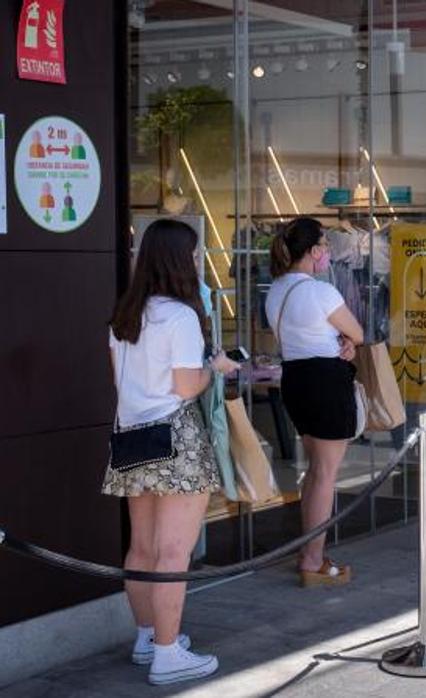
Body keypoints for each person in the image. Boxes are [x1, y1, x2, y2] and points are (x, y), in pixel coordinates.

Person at [106, 219, 238, 685]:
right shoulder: (179, 317)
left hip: (130, 434)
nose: (199, 262)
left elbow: (122, 383)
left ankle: (147, 638)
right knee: (173, 553)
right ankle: (168, 654)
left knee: (141, 547)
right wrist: (215, 367)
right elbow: (185, 387)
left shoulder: (125, 315)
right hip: (175, 436)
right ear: (180, 260)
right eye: (195, 254)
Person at [265, 217, 365, 586]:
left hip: (294, 379)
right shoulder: (321, 292)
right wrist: (349, 342)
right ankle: (313, 559)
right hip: (325, 380)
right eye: (323, 244)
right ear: (311, 251)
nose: (327, 252)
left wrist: (345, 342)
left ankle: (309, 548)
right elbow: (357, 331)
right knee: (325, 474)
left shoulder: (277, 290)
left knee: (314, 471)